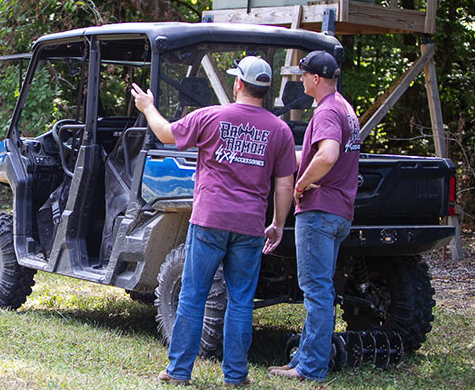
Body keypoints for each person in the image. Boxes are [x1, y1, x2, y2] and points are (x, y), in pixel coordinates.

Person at [131, 56, 297, 387]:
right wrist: (277, 223)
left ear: (238, 84)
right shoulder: (281, 130)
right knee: (240, 300)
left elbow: (165, 134)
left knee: (193, 295)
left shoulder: (210, 117)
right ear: (265, 89)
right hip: (250, 227)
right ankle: (235, 375)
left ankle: (179, 371)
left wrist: (148, 106)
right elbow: (285, 184)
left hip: (209, 221)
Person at [268, 50, 361, 382]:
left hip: (320, 211)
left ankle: (310, 368)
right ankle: (304, 360)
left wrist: (300, 183)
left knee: (316, 292)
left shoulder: (326, 112)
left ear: (316, 78)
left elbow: (328, 154)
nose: (301, 79)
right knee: (323, 291)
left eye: (304, 74)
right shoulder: (345, 108)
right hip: (339, 213)